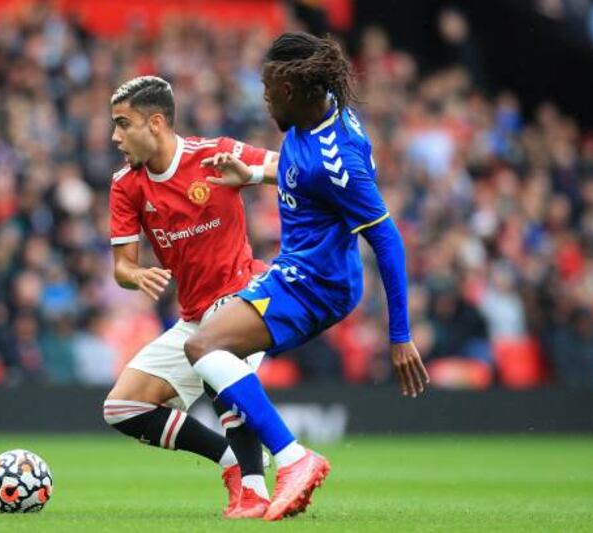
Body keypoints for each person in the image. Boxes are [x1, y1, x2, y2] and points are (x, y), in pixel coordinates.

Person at [184, 32, 430, 521]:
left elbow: (387, 240)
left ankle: (294, 459)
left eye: (269, 88)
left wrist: (399, 335)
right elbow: (304, 175)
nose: (264, 96)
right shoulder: (315, 116)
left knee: (203, 347)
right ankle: (252, 490)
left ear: (293, 90)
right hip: (302, 270)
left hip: (314, 282)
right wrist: (253, 175)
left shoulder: (338, 161)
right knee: (221, 353)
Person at [104, 76, 278, 519]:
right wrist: (136, 274)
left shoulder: (212, 154)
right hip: (196, 317)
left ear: (156, 122)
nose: (115, 137)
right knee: (122, 407)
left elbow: (287, 167)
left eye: (123, 124)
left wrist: (253, 173)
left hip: (244, 299)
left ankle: (255, 491)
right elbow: (122, 266)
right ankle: (231, 462)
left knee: (216, 350)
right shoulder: (126, 185)